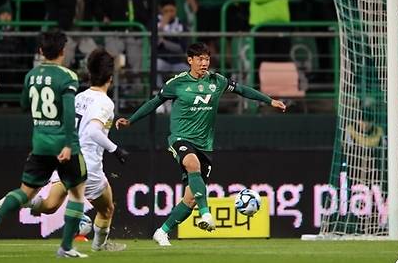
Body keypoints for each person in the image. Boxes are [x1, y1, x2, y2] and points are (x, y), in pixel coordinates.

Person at [115, 43, 287, 246]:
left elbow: (242, 90)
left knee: (190, 199)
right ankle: (206, 214)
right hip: (180, 139)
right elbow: (154, 102)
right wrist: (131, 120)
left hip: (205, 145)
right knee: (192, 163)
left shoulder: (217, 81)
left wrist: (269, 101)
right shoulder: (177, 83)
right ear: (190, 60)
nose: (204, 63)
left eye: (207, 59)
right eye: (200, 59)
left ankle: (162, 231)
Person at [0, 31, 89, 258]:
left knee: (26, 191)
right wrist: (68, 144)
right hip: (63, 144)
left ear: (40, 51)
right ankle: (66, 247)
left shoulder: (31, 75)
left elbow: (23, 104)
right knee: (77, 192)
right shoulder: (68, 76)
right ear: (62, 51)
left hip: (39, 144)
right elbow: (69, 113)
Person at [24, 49, 129, 252]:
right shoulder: (105, 102)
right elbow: (93, 131)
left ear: (89, 74)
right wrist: (116, 150)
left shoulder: (79, 96)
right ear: (110, 77)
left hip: (65, 158)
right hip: (88, 165)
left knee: (50, 205)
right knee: (107, 209)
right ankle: (100, 246)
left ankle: (21, 200)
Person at [102, 0, 151, 75]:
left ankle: (137, 91)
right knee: (114, 63)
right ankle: (113, 90)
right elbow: (103, 9)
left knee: (138, 66)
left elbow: (151, 11)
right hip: (116, 32)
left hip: (137, 33)